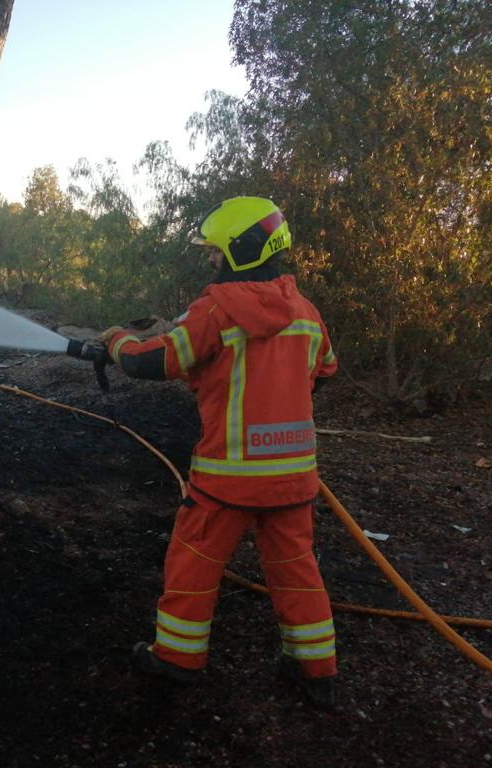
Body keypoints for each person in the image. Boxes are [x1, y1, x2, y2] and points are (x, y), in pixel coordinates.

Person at [99, 196, 339, 709]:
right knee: (297, 566)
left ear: (239, 249)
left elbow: (152, 362)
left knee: (194, 562)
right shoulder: (307, 312)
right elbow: (322, 372)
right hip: (293, 478)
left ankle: (177, 658)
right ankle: (314, 665)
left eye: (214, 251)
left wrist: (117, 339)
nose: (210, 259)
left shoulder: (214, 310)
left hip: (226, 479)